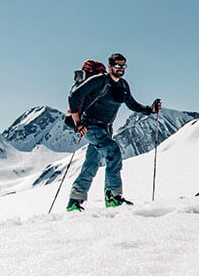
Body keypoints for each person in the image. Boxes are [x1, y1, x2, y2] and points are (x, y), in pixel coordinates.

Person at [66, 53, 160, 211]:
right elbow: (74, 97)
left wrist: (150, 109)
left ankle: (74, 201)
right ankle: (113, 196)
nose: (121, 69)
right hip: (91, 126)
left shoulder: (123, 86)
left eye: (123, 66)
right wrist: (78, 123)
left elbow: (132, 105)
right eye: (117, 66)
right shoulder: (99, 81)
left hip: (105, 129)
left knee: (91, 164)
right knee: (113, 150)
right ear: (109, 66)